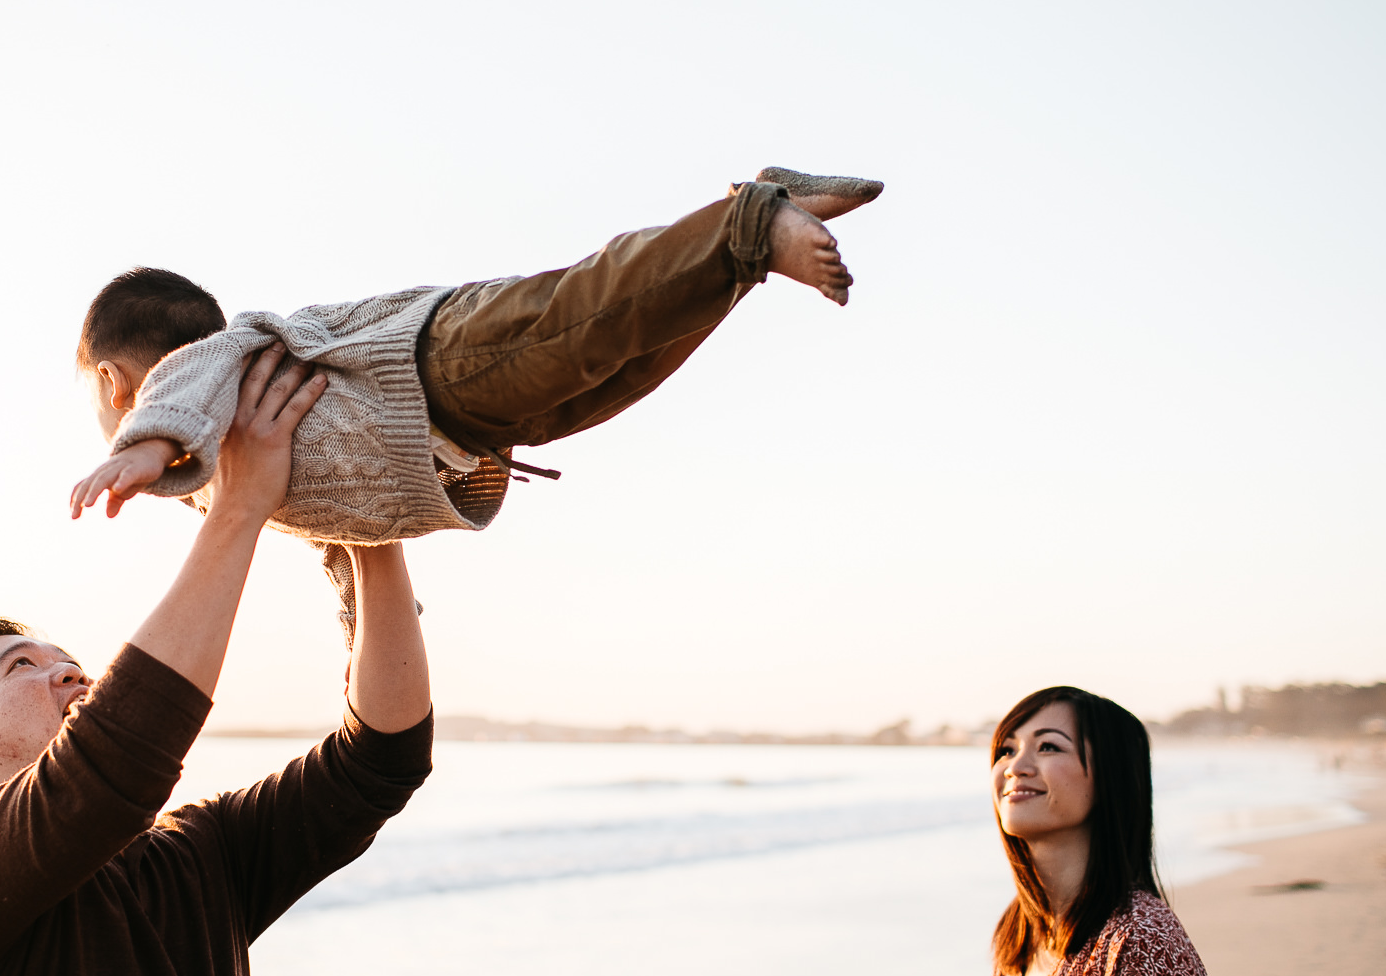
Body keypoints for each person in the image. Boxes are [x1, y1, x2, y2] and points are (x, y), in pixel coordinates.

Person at [0, 349, 434, 976]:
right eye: (20, 667)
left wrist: (372, 532)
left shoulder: (197, 855)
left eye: (72, 661)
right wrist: (241, 503)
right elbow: (116, 761)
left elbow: (381, 760)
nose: (70, 673)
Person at [66, 166, 881, 640]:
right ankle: (747, 235)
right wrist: (365, 626)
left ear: (113, 383)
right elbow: (332, 530)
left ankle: (747, 221)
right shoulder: (229, 471)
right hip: (462, 426)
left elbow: (187, 378)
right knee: (625, 366)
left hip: (430, 361)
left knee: (586, 316)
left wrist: (138, 449)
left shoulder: (216, 368)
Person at [984, 687, 1210, 976]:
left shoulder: (1144, 943)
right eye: (1006, 750)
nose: (1016, 767)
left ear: (1110, 776)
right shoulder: (1019, 930)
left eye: (1048, 746)